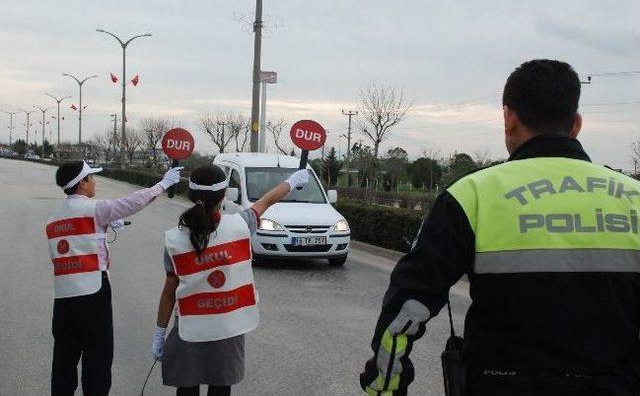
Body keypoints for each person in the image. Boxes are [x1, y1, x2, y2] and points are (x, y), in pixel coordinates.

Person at [360, 59, 640, 396]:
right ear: (576, 124)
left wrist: (384, 389)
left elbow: (407, 307)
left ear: (508, 118)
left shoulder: (472, 196)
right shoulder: (633, 198)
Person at [151, 164, 309, 396]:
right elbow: (266, 202)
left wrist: (159, 334)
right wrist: (292, 182)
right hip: (228, 329)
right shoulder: (240, 225)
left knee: (186, 390)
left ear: (191, 194)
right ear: (223, 195)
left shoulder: (174, 241)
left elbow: (168, 293)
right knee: (221, 388)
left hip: (189, 329)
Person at [46, 160, 183, 396]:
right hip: (93, 294)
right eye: (91, 178)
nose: (94, 181)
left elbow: (77, 242)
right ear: (82, 184)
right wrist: (163, 184)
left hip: (63, 299)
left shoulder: (53, 220)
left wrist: (105, 226)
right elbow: (133, 202)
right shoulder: (95, 209)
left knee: (64, 361)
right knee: (97, 358)